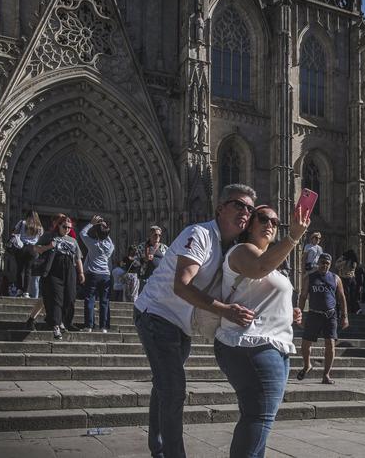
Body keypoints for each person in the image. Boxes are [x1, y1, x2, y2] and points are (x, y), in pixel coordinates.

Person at [133, 183, 258, 458]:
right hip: (156, 314)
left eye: (249, 208)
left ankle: (158, 447)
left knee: (164, 385)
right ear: (220, 208)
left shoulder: (234, 249)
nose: (245, 212)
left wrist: (288, 311)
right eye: (238, 204)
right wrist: (225, 310)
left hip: (181, 324)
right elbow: (181, 286)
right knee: (174, 388)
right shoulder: (199, 234)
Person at [214, 203, 308, 457]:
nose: (270, 225)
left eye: (275, 223)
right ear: (250, 224)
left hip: (273, 344)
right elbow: (259, 268)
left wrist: (289, 313)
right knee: (259, 417)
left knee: (258, 417)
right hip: (250, 345)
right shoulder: (241, 250)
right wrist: (294, 236)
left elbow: (261, 291)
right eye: (264, 219)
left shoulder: (274, 263)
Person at [297, 253, 349, 385]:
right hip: (314, 314)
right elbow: (303, 296)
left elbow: (342, 298)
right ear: (318, 263)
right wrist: (299, 313)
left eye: (327, 263)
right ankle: (307, 365)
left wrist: (345, 316)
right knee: (305, 343)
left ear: (330, 265)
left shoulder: (335, 278)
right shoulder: (310, 277)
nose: (324, 265)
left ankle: (326, 374)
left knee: (330, 344)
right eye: (322, 262)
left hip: (330, 315)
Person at [35, 215, 84, 339]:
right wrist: (49, 246)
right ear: (59, 226)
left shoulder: (73, 240)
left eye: (69, 227)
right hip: (54, 269)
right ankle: (56, 326)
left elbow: (78, 258)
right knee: (56, 298)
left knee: (71, 297)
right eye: (64, 227)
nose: (67, 229)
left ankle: (63, 320)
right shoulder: (49, 236)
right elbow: (36, 248)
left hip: (69, 270)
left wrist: (81, 273)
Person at [80, 215, 115, 333]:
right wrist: (105, 228)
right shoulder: (110, 246)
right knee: (104, 301)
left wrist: (92, 223)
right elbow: (107, 237)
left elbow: (82, 234)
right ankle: (103, 327)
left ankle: (89, 326)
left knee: (90, 299)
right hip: (105, 275)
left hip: (92, 274)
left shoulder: (92, 244)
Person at [12, 210, 44, 298]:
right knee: (28, 271)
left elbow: (14, 232)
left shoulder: (22, 223)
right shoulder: (39, 227)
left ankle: (19, 290)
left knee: (19, 269)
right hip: (33, 249)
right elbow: (41, 238)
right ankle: (26, 292)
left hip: (22, 247)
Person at [335, 250, 359, 315]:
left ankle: (347, 309)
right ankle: (352, 309)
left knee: (345, 295)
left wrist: (343, 260)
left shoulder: (347, 261)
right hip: (352, 279)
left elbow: (337, 265)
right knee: (352, 295)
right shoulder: (354, 261)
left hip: (345, 278)